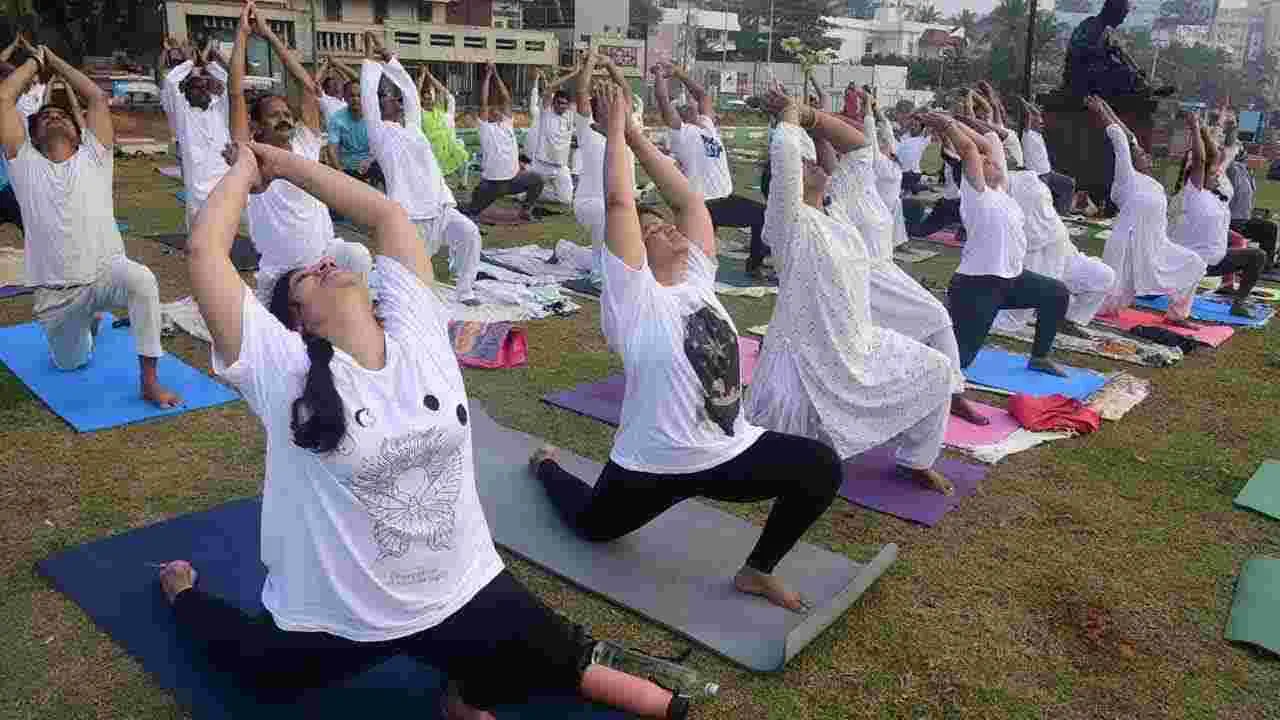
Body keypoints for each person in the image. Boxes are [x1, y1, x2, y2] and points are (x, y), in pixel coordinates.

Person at [171, 134, 686, 720]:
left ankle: (468, 701)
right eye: (304, 280)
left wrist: (283, 164)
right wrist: (243, 170)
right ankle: (182, 594)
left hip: (458, 589)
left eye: (322, 261)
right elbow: (205, 255)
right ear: (298, 324)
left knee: (557, 657)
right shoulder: (283, 370)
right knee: (252, 672)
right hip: (337, 614)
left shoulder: (418, 331)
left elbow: (386, 214)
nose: (322, 263)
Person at [533, 80, 843, 614]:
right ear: (633, 251)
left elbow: (689, 200)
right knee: (591, 527)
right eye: (652, 231)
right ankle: (545, 467)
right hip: (654, 462)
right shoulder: (632, 297)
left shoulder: (699, 277)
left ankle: (756, 571)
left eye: (668, 226)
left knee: (821, 466)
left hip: (730, 450)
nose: (670, 231)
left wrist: (634, 133)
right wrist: (612, 133)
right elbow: (618, 202)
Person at [745, 85, 957, 496]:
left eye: (811, 160)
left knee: (937, 369)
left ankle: (916, 460)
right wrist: (788, 120)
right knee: (781, 457)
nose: (811, 164)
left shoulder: (839, 212)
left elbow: (859, 149)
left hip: (858, 344)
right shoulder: (789, 223)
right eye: (803, 164)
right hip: (807, 353)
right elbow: (786, 158)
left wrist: (808, 114)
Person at [0, 44, 180, 408]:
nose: (54, 117)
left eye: (62, 116)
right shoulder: (24, 165)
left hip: (104, 272)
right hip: (56, 293)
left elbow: (96, 98)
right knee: (72, 362)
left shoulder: (95, 157)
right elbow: (4, 98)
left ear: (77, 131)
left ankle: (149, 383)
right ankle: (90, 322)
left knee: (142, 280)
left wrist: (57, 63)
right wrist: (36, 62)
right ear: (32, 136)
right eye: (45, 116)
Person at [824, 87, 974, 431]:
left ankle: (950, 391)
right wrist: (832, 118)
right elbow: (862, 140)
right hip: (864, 277)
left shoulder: (882, 165)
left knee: (932, 320)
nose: (882, 144)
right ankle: (945, 394)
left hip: (884, 268)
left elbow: (879, 134)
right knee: (925, 321)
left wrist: (872, 108)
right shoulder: (848, 181)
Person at [228, 1, 372, 303]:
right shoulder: (251, 156)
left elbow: (307, 87)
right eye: (274, 114)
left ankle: (352, 314)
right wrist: (242, 35)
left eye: (287, 113)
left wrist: (269, 34)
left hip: (325, 256)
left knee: (358, 254)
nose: (285, 118)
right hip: (282, 272)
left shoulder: (306, 142)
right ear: (256, 126)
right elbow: (236, 93)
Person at [916, 111, 1071, 378]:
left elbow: (985, 145)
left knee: (1056, 293)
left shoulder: (1001, 190)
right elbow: (969, 149)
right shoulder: (975, 192)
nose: (993, 162)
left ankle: (1039, 357)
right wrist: (947, 125)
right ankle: (911, 353)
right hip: (978, 286)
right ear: (973, 171)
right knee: (959, 360)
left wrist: (959, 121)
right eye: (985, 162)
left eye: (993, 161)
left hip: (1012, 280)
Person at [360, 32, 482, 305]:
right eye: (386, 97)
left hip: (440, 205)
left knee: (470, 234)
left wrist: (390, 58)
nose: (391, 100)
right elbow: (367, 95)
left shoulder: (414, 128)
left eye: (391, 97)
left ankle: (465, 290)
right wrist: (369, 60)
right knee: (409, 280)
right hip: (411, 214)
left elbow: (411, 93)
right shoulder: (379, 133)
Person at [1084, 96, 1207, 327]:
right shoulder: (1126, 179)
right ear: (1132, 160)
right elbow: (1122, 140)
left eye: (1146, 154)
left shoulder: (1155, 185)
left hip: (1155, 246)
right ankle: (1066, 296)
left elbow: (1129, 137)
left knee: (1195, 263)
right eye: (1141, 154)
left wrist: (1108, 107)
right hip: (1127, 247)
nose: (1146, 155)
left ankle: (1178, 315)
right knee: (1106, 307)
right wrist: (1101, 112)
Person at [653, 61, 768, 279]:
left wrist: (678, 72)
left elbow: (703, 95)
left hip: (723, 197)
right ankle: (754, 266)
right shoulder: (681, 134)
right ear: (682, 114)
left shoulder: (708, 128)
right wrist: (659, 75)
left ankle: (755, 262)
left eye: (693, 105)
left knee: (762, 216)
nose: (693, 105)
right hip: (705, 202)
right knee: (760, 215)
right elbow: (662, 101)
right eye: (686, 106)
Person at [994, 167, 1117, 336]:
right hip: (1033, 266)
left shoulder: (1037, 190)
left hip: (1066, 260)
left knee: (1104, 276)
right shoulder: (1014, 209)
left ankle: (1067, 319)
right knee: (1011, 321)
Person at [1169, 112, 1263, 318]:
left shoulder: (1218, 194)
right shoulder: (1192, 192)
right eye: (1212, 174)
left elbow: (1225, 152)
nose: (1218, 176)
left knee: (1256, 256)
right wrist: (1196, 127)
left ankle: (1238, 303)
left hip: (1214, 261)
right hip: (1189, 262)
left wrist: (1229, 128)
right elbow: (1201, 158)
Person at [571, 52, 634, 286]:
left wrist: (609, 64)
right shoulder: (587, 128)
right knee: (603, 216)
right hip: (589, 202)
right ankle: (597, 275)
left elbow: (625, 90)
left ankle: (567, 251)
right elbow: (581, 92)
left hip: (617, 201)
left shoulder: (622, 131)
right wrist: (589, 64)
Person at [161, 37, 232, 231]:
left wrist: (208, 64)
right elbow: (169, 81)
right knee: (200, 237)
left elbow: (229, 81)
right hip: (198, 191)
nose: (200, 89)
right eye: (194, 87)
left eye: (203, 86)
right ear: (186, 91)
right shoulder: (181, 113)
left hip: (225, 183)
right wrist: (191, 62)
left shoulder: (220, 108)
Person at [467, 61, 544, 220]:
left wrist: (496, 74)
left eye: (498, 108)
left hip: (513, 180)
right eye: (491, 109)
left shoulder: (508, 124)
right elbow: (483, 101)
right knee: (471, 211)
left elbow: (506, 98)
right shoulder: (485, 128)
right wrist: (488, 76)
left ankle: (525, 210)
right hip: (492, 184)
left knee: (537, 180)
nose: (495, 110)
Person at [1061, 0, 1173, 98]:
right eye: (1122, 16)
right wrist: (1108, 54)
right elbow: (1082, 54)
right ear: (1113, 13)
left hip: (1089, 71)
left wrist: (1128, 63)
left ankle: (1146, 87)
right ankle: (1145, 90)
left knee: (1127, 70)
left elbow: (1111, 54)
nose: (1122, 21)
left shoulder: (1100, 29)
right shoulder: (1093, 27)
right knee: (1123, 73)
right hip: (1080, 75)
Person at [1222, 119, 1278, 271]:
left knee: (1269, 228)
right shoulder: (1231, 168)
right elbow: (1228, 148)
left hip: (1243, 220)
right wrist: (1231, 131)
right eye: (1239, 148)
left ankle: (1266, 265)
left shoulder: (1246, 171)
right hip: (1231, 221)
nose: (1244, 151)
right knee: (1268, 228)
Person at [528, 62, 582, 204]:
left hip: (560, 167)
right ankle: (527, 191)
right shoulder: (546, 112)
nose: (562, 106)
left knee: (566, 200)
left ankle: (535, 193)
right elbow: (550, 88)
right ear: (554, 103)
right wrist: (573, 74)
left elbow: (580, 91)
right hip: (541, 164)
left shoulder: (570, 115)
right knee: (521, 193)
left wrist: (580, 74)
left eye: (565, 103)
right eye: (559, 103)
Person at [1018, 96, 1077, 216]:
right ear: (1032, 123)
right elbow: (1030, 115)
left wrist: (1034, 109)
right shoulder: (1027, 135)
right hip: (1038, 176)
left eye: (1042, 123)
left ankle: (1063, 213)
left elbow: (1036, 114)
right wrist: (1024, 103)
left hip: (1049, 173)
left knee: (1069, 183)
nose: (1042, 124)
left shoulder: (1038, 135)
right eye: (1039, 123)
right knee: (1043, 201)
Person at [415, 63, 469, 180]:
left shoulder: (445, 114)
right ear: (422, 101)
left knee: (463, 157)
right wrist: (422, 76)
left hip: (450, 153)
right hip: (434, 155)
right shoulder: (421, 114)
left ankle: (462, 183)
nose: (429, 101)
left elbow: (447, 94)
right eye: (426, 99)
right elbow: (415, 97)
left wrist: (429, 75)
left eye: (431, 98)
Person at [868, 92, 908, 249]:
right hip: (881, 204)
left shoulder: (890, 156)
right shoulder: (879, 159)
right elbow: (873, 132)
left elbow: (886, 127)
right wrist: (870, 109)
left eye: (884, 140)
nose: (885, 141)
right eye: (881, 141)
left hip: (891, 204)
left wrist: (873, 106)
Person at [326, 75, 382, 188]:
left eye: (359, 96)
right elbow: (332, 148)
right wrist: (339, 171)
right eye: (352, 96)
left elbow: (381, 145)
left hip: (371, 165)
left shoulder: (374, 117)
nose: (356, 99)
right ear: (345, 98)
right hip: (348, 169)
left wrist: (369, 161)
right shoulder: (336, 119)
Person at [894, 116, 931, 195]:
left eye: (916, 126)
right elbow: (898, 134)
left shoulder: (923, 140)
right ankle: (917, 187)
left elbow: (929, 127)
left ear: (921, 129)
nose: (913, 127)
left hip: (912, 173)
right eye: (912, 125)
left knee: (905, 185)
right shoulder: (904, 137)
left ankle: (917, 187)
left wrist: (923, 117)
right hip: (899, 170)